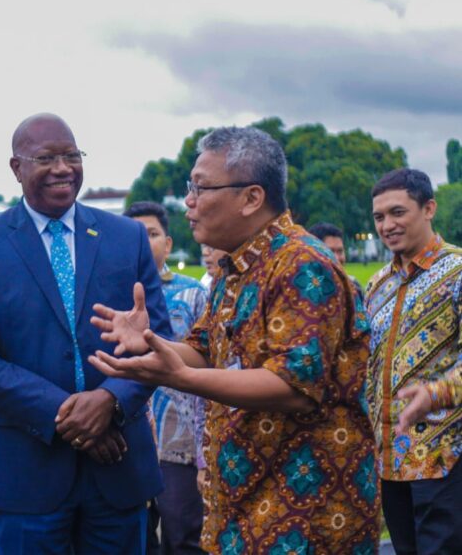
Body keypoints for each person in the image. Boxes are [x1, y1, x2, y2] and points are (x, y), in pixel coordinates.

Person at [90, 126, 379, 553]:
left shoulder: (303, 265)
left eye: (201, 187)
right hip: (248, 504)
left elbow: (293, 385)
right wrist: (152, 344)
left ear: (251, 198)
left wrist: (180, 376)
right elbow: (206, 350)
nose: (188, 201)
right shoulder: (237, 267)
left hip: (305, 513)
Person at [0, 113, 171, 554]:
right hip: (25, 471)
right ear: (16, 168)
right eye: (46, 158)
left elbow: (158, 338)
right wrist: (72, 417)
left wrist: (109, 402)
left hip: (118, 468)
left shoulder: (125, 236)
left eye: (72, 155)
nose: (62, 168)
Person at [365, 168, 462, 553]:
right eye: (379, 217)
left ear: (429, 209)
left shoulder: (457, 272)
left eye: (398, 213)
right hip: (389, 460)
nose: (387, 225)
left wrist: (436, 393)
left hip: (447, 456)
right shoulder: (376, 285)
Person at [126, 201, 208, 555]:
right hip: (125, 437)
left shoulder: (194, 293)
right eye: (134, 236)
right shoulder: (106, 294)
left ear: (169, 244)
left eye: (152, 234)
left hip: (181, 439)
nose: (143, 243)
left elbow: (212, 362)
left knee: (181, 535)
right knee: (134, 538)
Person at [308, 222, 364, 294]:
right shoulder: (303, 293)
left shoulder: (355, 287)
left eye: (340, 251)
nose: (337, 258)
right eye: (330, 252)